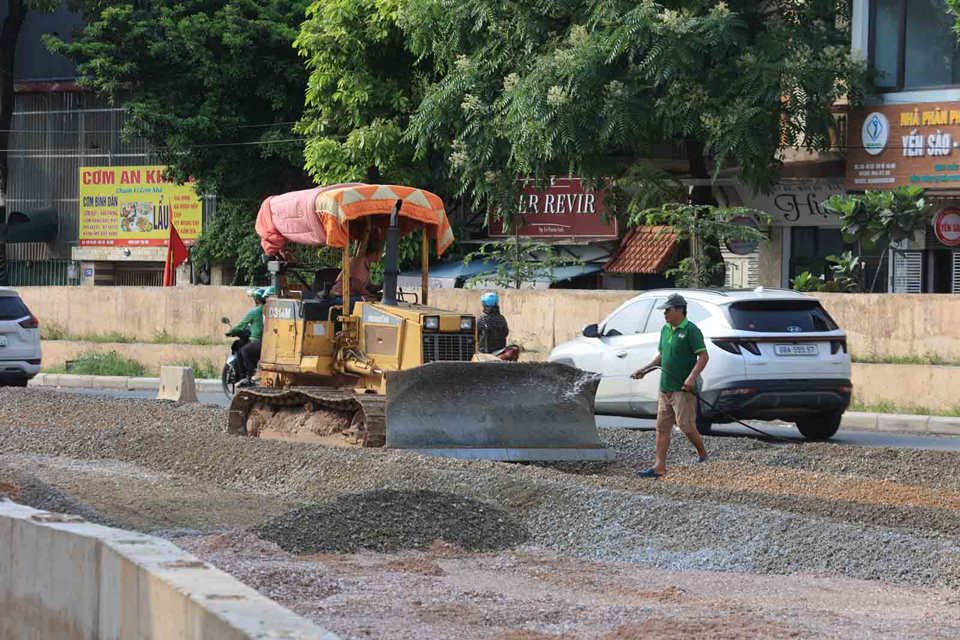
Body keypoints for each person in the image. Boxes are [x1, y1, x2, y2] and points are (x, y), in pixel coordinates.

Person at [631, 293, 709, 478]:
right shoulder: (665, 330)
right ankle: (659, 466)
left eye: (668, 310)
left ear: (680, 310)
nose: (664, 314)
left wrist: (691, 378)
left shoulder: (691, 330)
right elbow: (661, 356)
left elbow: (704, 357)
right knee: (662, 427)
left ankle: (703, 454)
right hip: (665, 387)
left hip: (683, 389)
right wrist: (645, 369)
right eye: (664, 311)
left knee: (685, 426)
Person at [227, 286, 270, 384]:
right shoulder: (267, 310)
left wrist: (231, 332)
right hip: (264, 340)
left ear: (257, 299)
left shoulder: (255, 311)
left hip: (257, 340)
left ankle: (248, 376)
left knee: (243, 350)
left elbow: (241, 325)